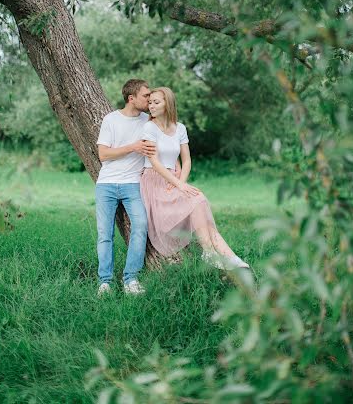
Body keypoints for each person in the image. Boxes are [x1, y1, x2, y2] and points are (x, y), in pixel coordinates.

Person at [140, 87, 249, 271]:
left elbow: (187, 160)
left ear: (168, 103)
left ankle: (226, 256)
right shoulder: (149, 127)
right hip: (154, 180)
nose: (151, 106)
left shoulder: (180, 128)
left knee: (198, 200)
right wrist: (178, 185)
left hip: (174, 178)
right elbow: (155, 163)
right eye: (150, 102)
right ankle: (213, 253)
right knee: (197, 200)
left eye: (156, 102)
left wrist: (180, 182)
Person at [95, 78, 156, 295]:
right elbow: (103, 154)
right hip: (107, 184)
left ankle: (130, 279)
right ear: (132, 98)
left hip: (133, 185)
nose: (149, 99)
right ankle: (105, 282)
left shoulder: (149, 121)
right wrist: (133, 147)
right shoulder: (111, 120)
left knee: (140, 226)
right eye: (145, 96)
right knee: (105, 233)